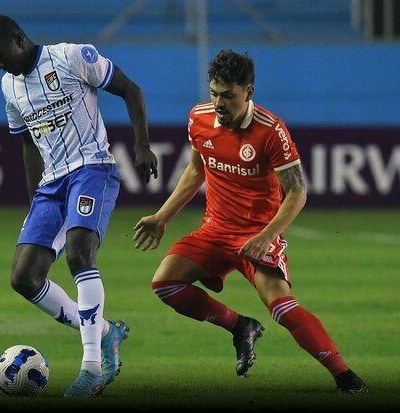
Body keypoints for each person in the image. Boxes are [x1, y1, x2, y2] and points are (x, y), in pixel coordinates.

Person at [133, 50, 367, 393]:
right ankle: (240, 326)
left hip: (257, 236)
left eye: (228, 95)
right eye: (214, 93)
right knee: (165, 284)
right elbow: (197, 169)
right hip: (214, 230)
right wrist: (161, 216)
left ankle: (345, 376)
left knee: (283, 308)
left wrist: (267, 235)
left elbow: (297, 193)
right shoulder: (198, 118)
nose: (218, 103)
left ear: (248, 92)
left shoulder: (271, 131)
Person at [0, 16, 158, 398]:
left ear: (18, 38)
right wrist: (34, 201)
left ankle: (91, 367)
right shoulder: (9, 85)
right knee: (24, 278)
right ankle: (106, 332)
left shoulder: (71, 57)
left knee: (79, 253)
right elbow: (27, 141)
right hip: (51, 185)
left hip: (92, 167)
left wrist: (141, 145)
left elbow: (131, 90)